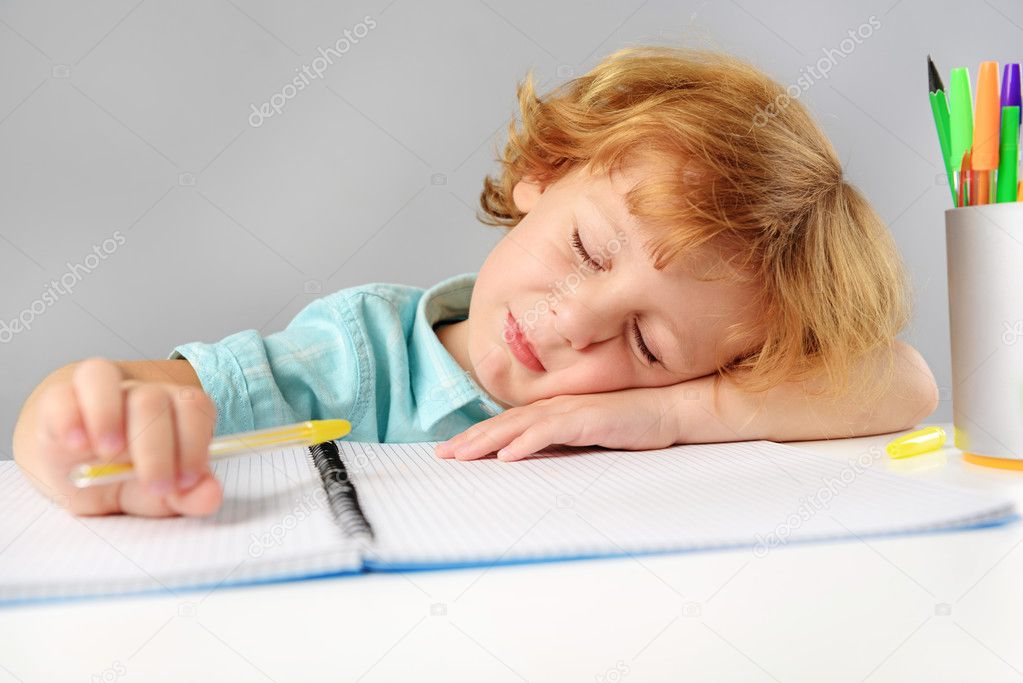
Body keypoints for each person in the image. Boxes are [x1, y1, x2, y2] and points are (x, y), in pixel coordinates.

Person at [12, 46, 938, 518]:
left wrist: (672, 414)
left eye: (650, 342)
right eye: (586, 249)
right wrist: (75, 420)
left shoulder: (662, 406)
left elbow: (900, 381)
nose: (576, 322)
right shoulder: (357, 358)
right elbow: (111, 404)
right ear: (546, 165)